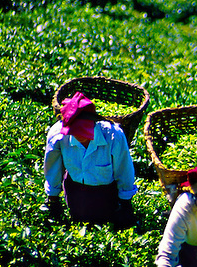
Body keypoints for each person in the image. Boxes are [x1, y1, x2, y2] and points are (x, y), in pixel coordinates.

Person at [43, 91, 137, 229]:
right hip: (75, 193)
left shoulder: (113, 136)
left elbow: (124, 170)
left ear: (94, 123)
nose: (79, 135)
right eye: (75, 131)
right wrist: (53, 199)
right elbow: (53, 168)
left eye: (83, 130)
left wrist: (125, 204)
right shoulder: (58, 135)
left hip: (105, 196)